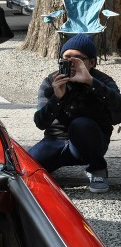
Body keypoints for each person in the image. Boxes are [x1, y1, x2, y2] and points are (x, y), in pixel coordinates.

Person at [28, 34, 121, 193]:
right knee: (24, 169)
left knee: (80, 124)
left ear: (92, 62)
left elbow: (118, 113)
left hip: (90, 141)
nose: (70, 63)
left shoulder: (102, 81)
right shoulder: (52, 81)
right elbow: (40, 123)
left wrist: (91, 83)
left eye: (77, 59)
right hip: (55, 140)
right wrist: (57, 98)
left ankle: (97, 168)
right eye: (66, 59)